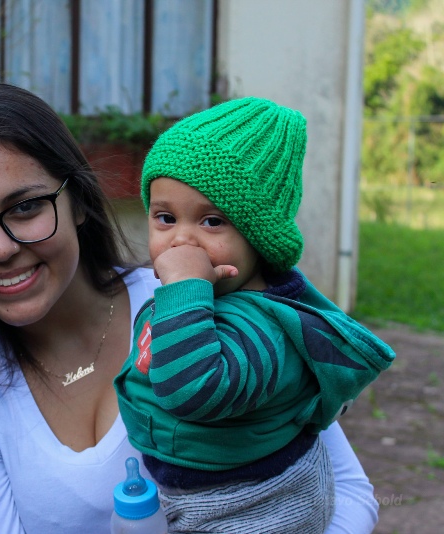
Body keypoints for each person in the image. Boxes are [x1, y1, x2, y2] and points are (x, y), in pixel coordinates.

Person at [0, 82, 383, 534]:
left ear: (79, 202)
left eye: (25, 207)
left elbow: (350, 493)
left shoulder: (195, 300)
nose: (0, 249)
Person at [115, 97, 396, 533]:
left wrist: (186, 288)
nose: (182, 242)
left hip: (254, 508)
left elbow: (192, 390)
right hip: (195, 496)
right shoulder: (199, 301)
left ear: (258, 240)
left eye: (211, 222)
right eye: (165, 218)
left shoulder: (263, 327)